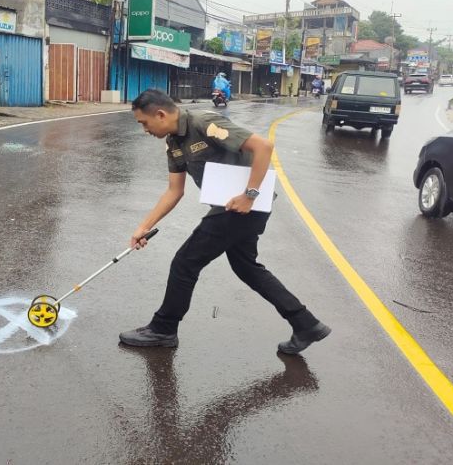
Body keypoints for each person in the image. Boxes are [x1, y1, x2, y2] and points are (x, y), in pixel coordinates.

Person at [119, 89, 330, 354]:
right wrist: (144, 226)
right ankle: (306, 323)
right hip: (232, 208)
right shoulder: (173, 143)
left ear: (160, 114)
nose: (144, 129)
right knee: (247, 267)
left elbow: (263, 146)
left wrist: (249, 195)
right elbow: (175, 190)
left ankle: (163, 329)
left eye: (144, 123)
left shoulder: (204, 123)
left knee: (185, 262)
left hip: (244, 207)